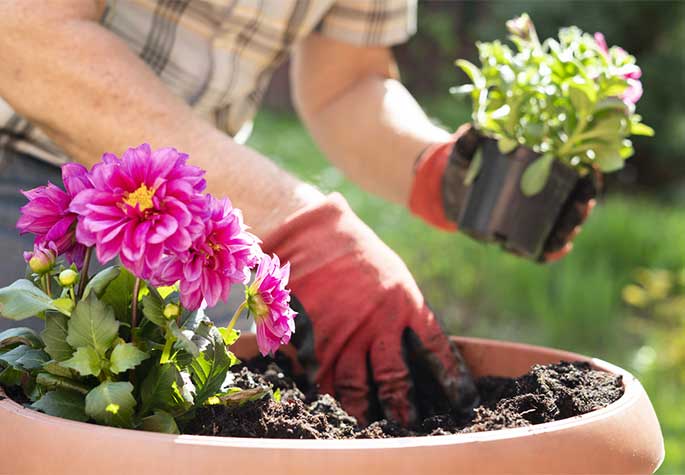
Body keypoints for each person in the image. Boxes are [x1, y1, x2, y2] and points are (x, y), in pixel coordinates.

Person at [0, 1, 593, 427]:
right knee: (48, 418)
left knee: (257, 398)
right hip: (30, 173)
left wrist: (437, 171)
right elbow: (29, 34)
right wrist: (303, 226)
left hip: (192, 210)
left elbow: (348, 82)